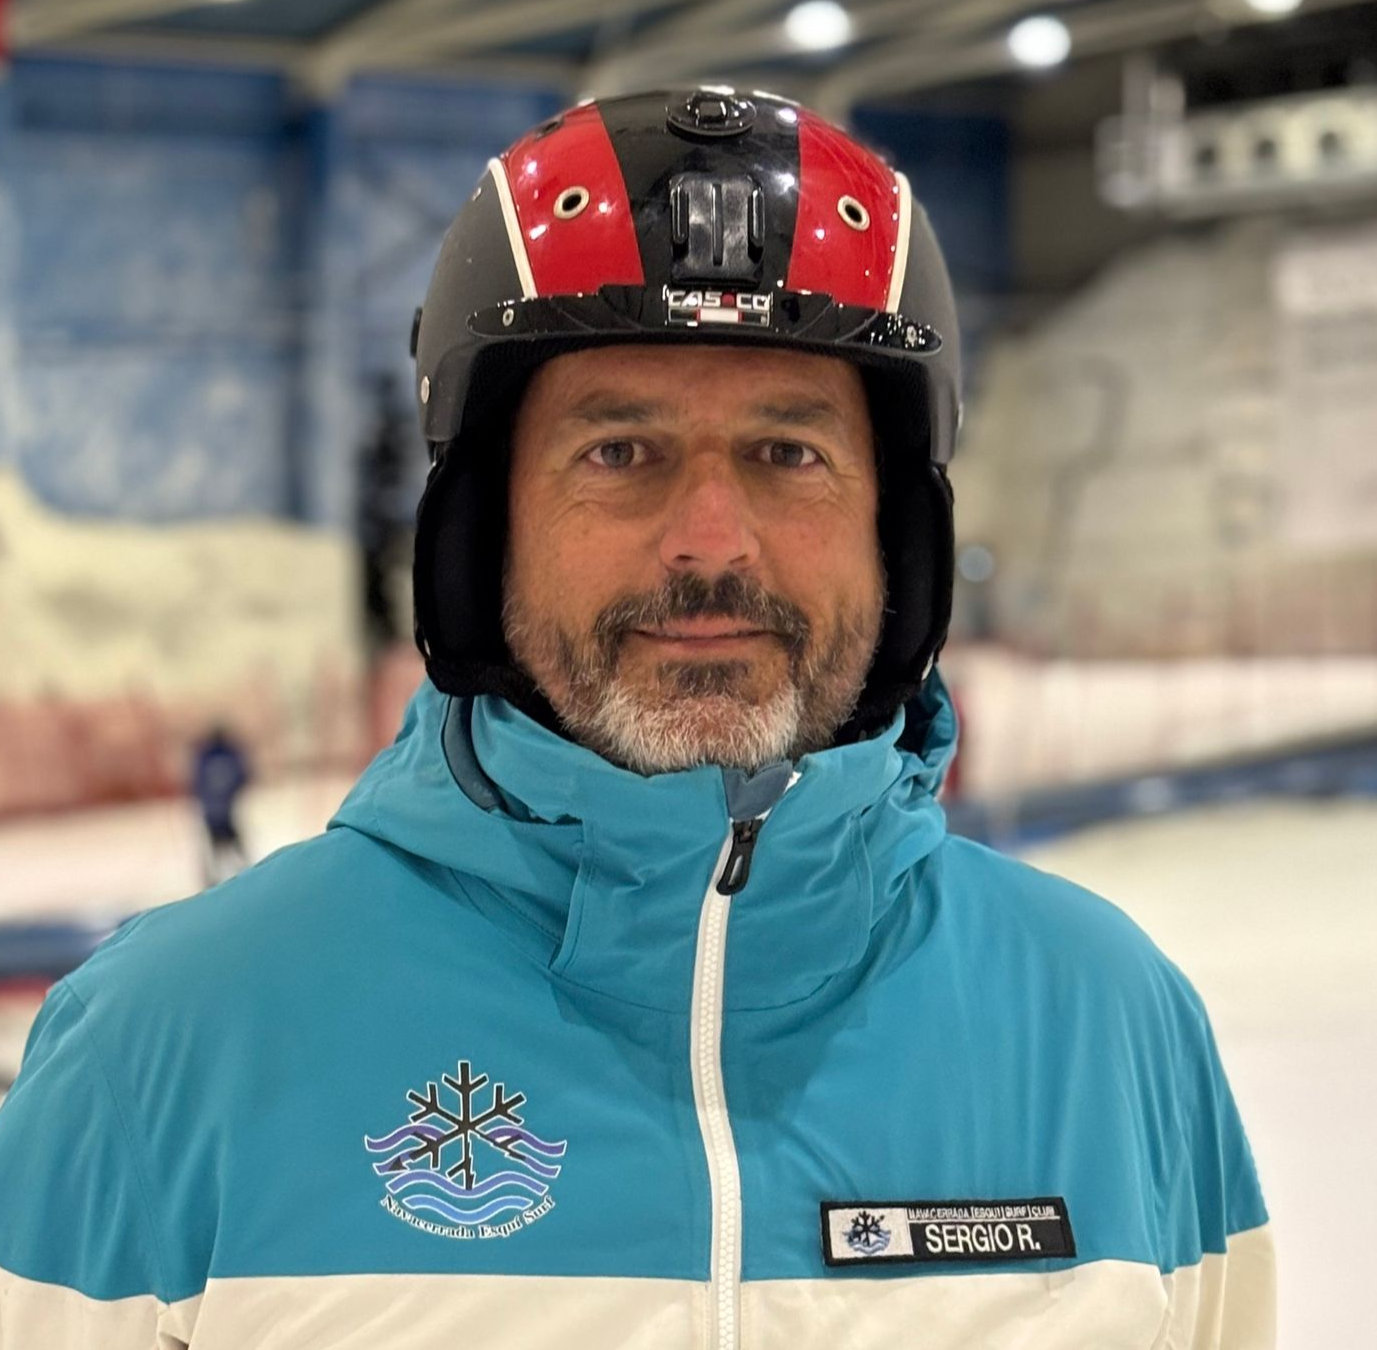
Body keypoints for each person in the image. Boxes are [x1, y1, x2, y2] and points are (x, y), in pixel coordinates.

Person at [0, 88, 1272, 1349]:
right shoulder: (165, 1050)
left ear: (896, 534)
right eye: (619, 452)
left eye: (789, 452)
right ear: (485, 530)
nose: (710, 541)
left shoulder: (1111, 1029)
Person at [190, 724, 251, 886]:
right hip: (223, 810)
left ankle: (217, 877)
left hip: (214, 811)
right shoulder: (224, 755)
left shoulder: (206, 757)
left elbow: (196, 782)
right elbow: (243, 775)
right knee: (229, 844)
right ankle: (244, 870)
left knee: (221, 846)